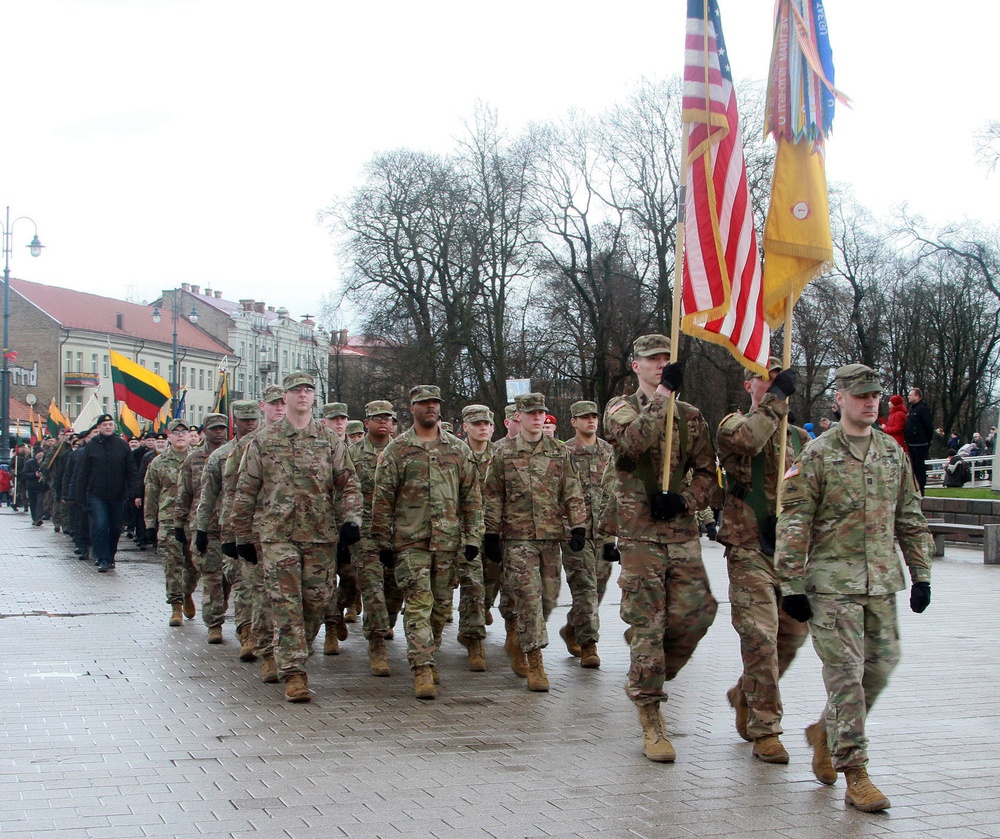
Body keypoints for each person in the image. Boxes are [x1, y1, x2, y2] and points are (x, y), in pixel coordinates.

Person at [776, 363, 933, 813]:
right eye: (861, 395)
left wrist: (922, 574)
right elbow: (794, 520)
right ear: (839, 400)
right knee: (846, 677)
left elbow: (910, 516)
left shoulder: (891, 452)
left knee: (881, 667)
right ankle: (856, 772)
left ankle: (825, 732)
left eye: (875, 396)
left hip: (880, 582)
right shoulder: (817, 455)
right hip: (830, 585)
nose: (870, 403)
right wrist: (790, 582)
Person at [602, 334, 719, 763]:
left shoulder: (691, 417)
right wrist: (664, 397)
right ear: (636, 366)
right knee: (647, 623)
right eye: (652, 360)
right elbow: (632, 443)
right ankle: (651, 715)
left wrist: (686, 500)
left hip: (681, 531)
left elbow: (709, 474)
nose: (660, 365)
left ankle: (644, 670)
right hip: (638, 535)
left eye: (666, 359)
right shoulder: (620, 407)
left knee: (699, 612)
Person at [231, 372, 362, 703]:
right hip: (278, 536)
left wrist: (351, 519)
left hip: (320, 535)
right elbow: (246, 490)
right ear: (284, 397)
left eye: (308, 390)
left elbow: (349, 483)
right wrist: (242, 535)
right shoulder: (264, 440)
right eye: (296, 390)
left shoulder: (329, 440)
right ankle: (294, 672)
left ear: (313, 397)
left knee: (317, 603)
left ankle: (289, 650)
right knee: (286, 604)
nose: (303, 395)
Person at [716, 357, 810, 764]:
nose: (771, 386)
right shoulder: (733, 425)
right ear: (747, 384)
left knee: (792, 634)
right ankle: (765, 727)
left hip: (788, 552)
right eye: (762, 379)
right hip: (747, 546)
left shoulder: (798, 440)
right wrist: (776, 398)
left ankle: (746, 693)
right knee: (760, 637)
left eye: (776, 379)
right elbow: (751, 441)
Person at [371, 385, 483, 700]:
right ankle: (421, 667)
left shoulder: (458, 450)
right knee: (419, 604)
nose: (431, 407)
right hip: (411, 543)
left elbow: (472, 499)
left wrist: (472, 537)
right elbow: (382, 500)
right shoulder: (397, 450)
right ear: (412, 408)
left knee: (441, 606)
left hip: (448, 543)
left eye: (435, 402)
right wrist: (383, 541)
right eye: (424, 403)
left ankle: (428, 652)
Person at [483, 392, 586, 692]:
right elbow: (492, 495)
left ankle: (519, 634)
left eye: (541, 413)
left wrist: (578, 526)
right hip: (517, 538)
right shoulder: (503, 453)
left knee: (548, 597)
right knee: (529, 596)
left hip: (551, 537)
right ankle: (535, 660)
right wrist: (491, 532)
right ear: (519, 417)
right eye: (531, 413)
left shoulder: (558, 450)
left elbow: (572, 489)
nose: (538, 418)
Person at [220, 386, 287, 682]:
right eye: (275, 404)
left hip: (293, 534)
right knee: (261, 595)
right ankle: (267, 653)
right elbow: (234, 491)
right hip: (259, 532)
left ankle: (287, 648)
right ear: (263, 406)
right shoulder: (249, 445)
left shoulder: (308, 441)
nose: (280, 409)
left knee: (293, 599)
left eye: (284, 403)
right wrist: (233, 535)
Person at [195, 401, 260, 660]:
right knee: (241, 582)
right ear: (237, 422)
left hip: (266, 529)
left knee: (264, 587)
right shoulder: (221, 456)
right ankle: (247, 634)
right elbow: (207, 496)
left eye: (253, 419)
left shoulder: (268, 449)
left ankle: (263, 632)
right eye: (245, 420)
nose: (250, 424)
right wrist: (201, 529)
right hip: (232, 530)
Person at [349, 400, 404, 677]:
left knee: (396, 589)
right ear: (366, 422)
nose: (383, 422)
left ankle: (387, 623)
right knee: (372, 588)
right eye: (377, 418)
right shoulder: (352, 453)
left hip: (399, 530)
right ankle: (377, 644)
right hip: (366, 529)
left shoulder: (403, 450)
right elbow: (343, 490)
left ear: (394, 423)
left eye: (388, 418)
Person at [559, 400, 614, 669]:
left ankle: (572, 626)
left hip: (603, 531)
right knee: (585, 587)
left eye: (594, 416)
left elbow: (617, 492)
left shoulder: (609, 452)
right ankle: (589, 644)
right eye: (584, 417)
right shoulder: (564, 452)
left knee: (600, 586)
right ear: (574, 422)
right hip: (575, 532)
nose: (590, 421)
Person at [175, 412, 230, 644]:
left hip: (230, 525)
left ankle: (218, 609)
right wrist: (178, 523)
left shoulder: (233, 454)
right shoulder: (193, 459)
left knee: (228, 578)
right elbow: (184, 492)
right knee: (211, 575)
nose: (218, 433)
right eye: (214, 428)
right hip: (204, 526)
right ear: (204, 431)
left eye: (222, 428)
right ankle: (214, 624)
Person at [144, 419, 198, 619]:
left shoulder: (198, 459)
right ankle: (175, 605)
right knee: (171, 563)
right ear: (170, 436)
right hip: (168, 519)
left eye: (184, 431)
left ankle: (187, 592)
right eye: (176, 432)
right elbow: (151, 493)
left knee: (193, 564)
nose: (181, 435)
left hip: (193, 519)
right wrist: (150, 523)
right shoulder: (159, 462)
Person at [75, 414, 139, 573]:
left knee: (116, 527)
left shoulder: (122, 445)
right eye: (105, 425)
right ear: (99, 428)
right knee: (101, 525)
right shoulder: (91, 446)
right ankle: (102, 557)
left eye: (110, 424)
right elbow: (83, 473)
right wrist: (80, 496)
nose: (108, 427)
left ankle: (111, 555)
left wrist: (134, 491)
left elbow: (131, 471)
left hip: (118, 494)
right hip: (97, 494)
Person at [904, 387, 934, 494]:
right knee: (914, 468)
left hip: (920, 444)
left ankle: (921, 489)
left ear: (917, 396)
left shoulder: (923, 408)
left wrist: (926, 440)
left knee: (920, 467)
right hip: (912, 443)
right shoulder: (913, 409)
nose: (908, 396)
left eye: (910, 395)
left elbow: (929, 426)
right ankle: (915, 488)